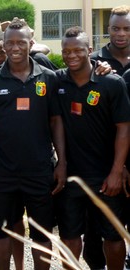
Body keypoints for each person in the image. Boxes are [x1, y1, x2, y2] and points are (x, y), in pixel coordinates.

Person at [0, 18, 66, 270]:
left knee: (41, 233)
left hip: (39, 170)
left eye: (21, 42)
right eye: (10, 43)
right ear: (4, 45)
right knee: (2, 231)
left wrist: (62, 162)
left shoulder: (47, 77)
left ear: (31, 43)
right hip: (1, 171)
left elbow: (56, 122)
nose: (15, 48)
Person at [54, 26, 130, 270]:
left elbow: (124, 128)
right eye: (67, 51)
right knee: (69, 236)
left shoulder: (112, 82)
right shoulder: (57, 81)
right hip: (70, 176)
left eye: (78, 50)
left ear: (89, 50)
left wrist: (117, 170)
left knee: (113, 236)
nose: (72, 55)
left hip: (105, 175)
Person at [91, 5, 130, 75]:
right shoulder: (93, 60)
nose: (121, 34)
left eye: (127, 29)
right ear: (108, 30)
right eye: (115, 29)